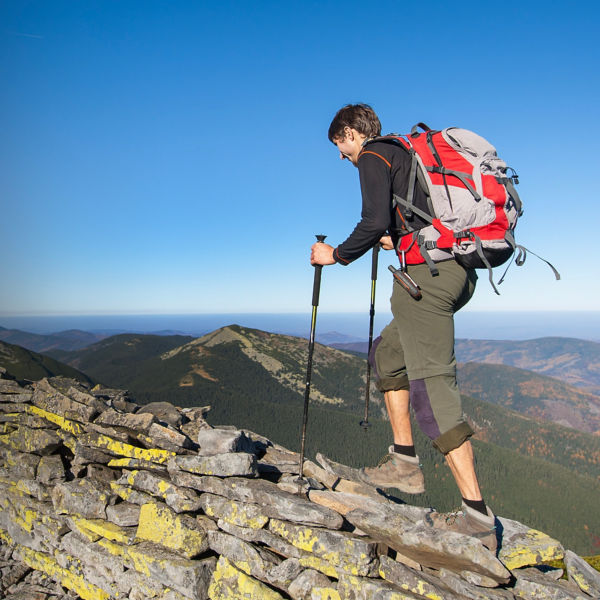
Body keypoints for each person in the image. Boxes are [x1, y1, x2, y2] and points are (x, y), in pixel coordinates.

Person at [310, 103, 498, 552]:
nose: (341, 155)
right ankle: (404, 463)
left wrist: (333, 255)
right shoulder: (406, 155)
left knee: (432, 390)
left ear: (353, 134)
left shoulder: (374, 155)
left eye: (340, 144)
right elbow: (404, 223)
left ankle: (477, 517)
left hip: (429, 281)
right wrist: (394, 238)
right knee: (387, 355)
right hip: (451, 271)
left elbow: (373, 219)